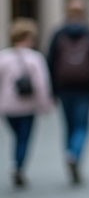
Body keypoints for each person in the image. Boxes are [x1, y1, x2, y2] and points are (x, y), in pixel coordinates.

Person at [47, 0, 89, 184]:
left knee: (69, 125)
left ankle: (69, 153)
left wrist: (52, 89)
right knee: (82, 125)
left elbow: (50, 61)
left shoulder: (58, 33)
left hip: (64, 87)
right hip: (84, 87)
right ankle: (75, 153)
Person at [0, 18, 54, 187]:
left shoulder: (3, 57)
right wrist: (45, 105)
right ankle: (18, 166)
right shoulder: (35, 58)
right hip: (27, 106)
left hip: (7, 106)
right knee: (23, 138)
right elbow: (41, 84)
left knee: (17, 136)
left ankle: (16, 163)